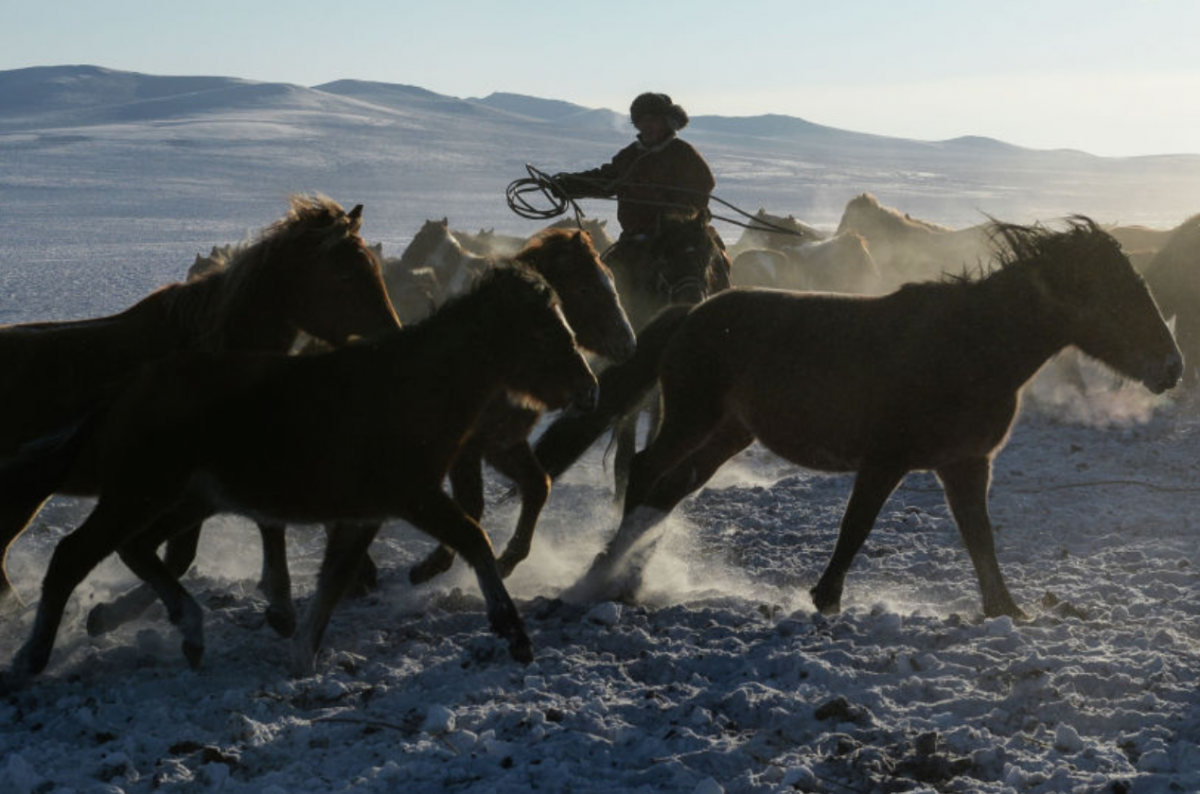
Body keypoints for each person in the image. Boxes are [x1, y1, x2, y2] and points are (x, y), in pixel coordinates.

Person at [551, 92, 730, 287]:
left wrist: (669, 207)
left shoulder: (683, 153)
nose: (646, 126)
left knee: (713, 268)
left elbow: (703, 186)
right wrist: (567, 184)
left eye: (652, 120)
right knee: (603, 279)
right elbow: (605, 180)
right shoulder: (630, 156)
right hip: (636, 239)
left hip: (679, 237)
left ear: (666, 122)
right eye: (641, 121)